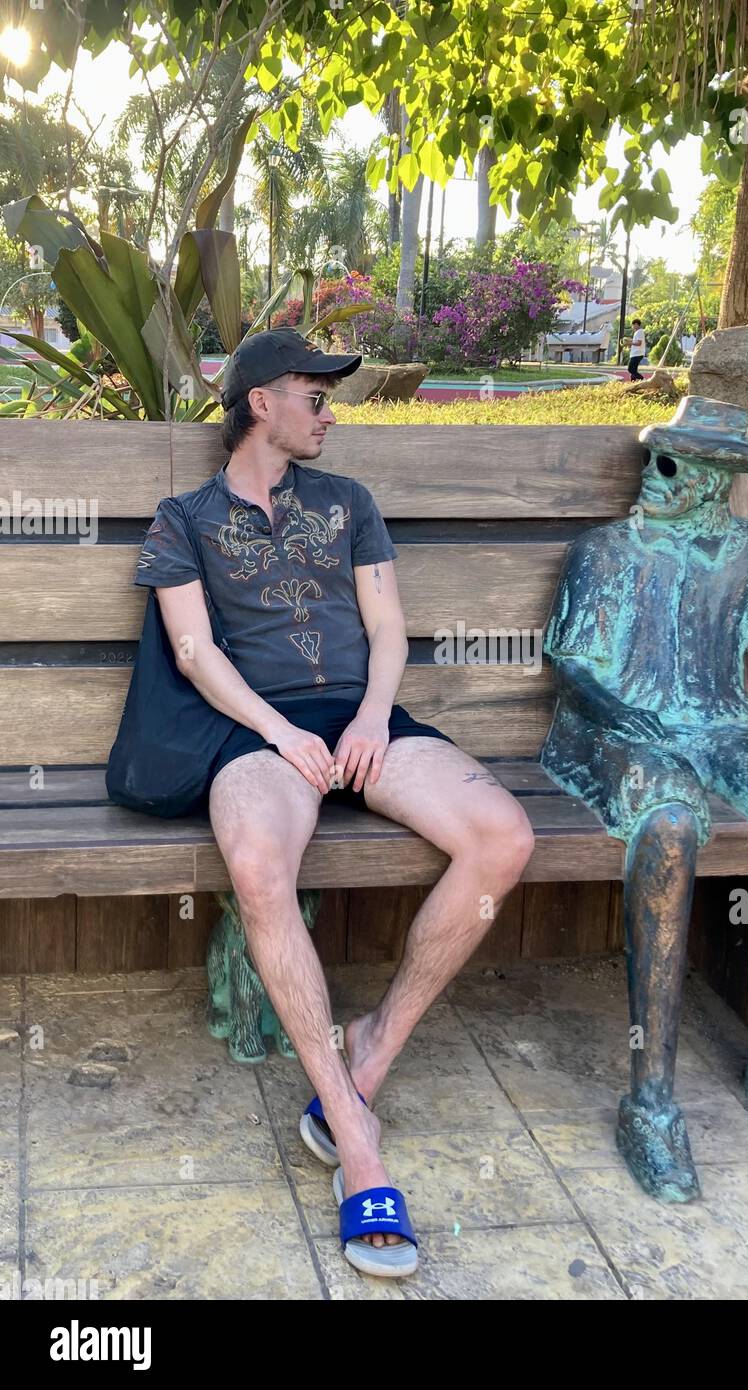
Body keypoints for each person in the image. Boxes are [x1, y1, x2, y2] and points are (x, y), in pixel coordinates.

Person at [133, 328, 535, 1277]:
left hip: (359, 719)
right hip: (254, 731)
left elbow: (387, 626)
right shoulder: (182, 518)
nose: (329, 410)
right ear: (260, 401)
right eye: (316, 394)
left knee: (503, 837)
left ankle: (368, 1056)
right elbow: (195, 654)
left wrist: (365, 722)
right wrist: (282, 734)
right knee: (261, 863)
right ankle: (358, 1147)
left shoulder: (349, 503)